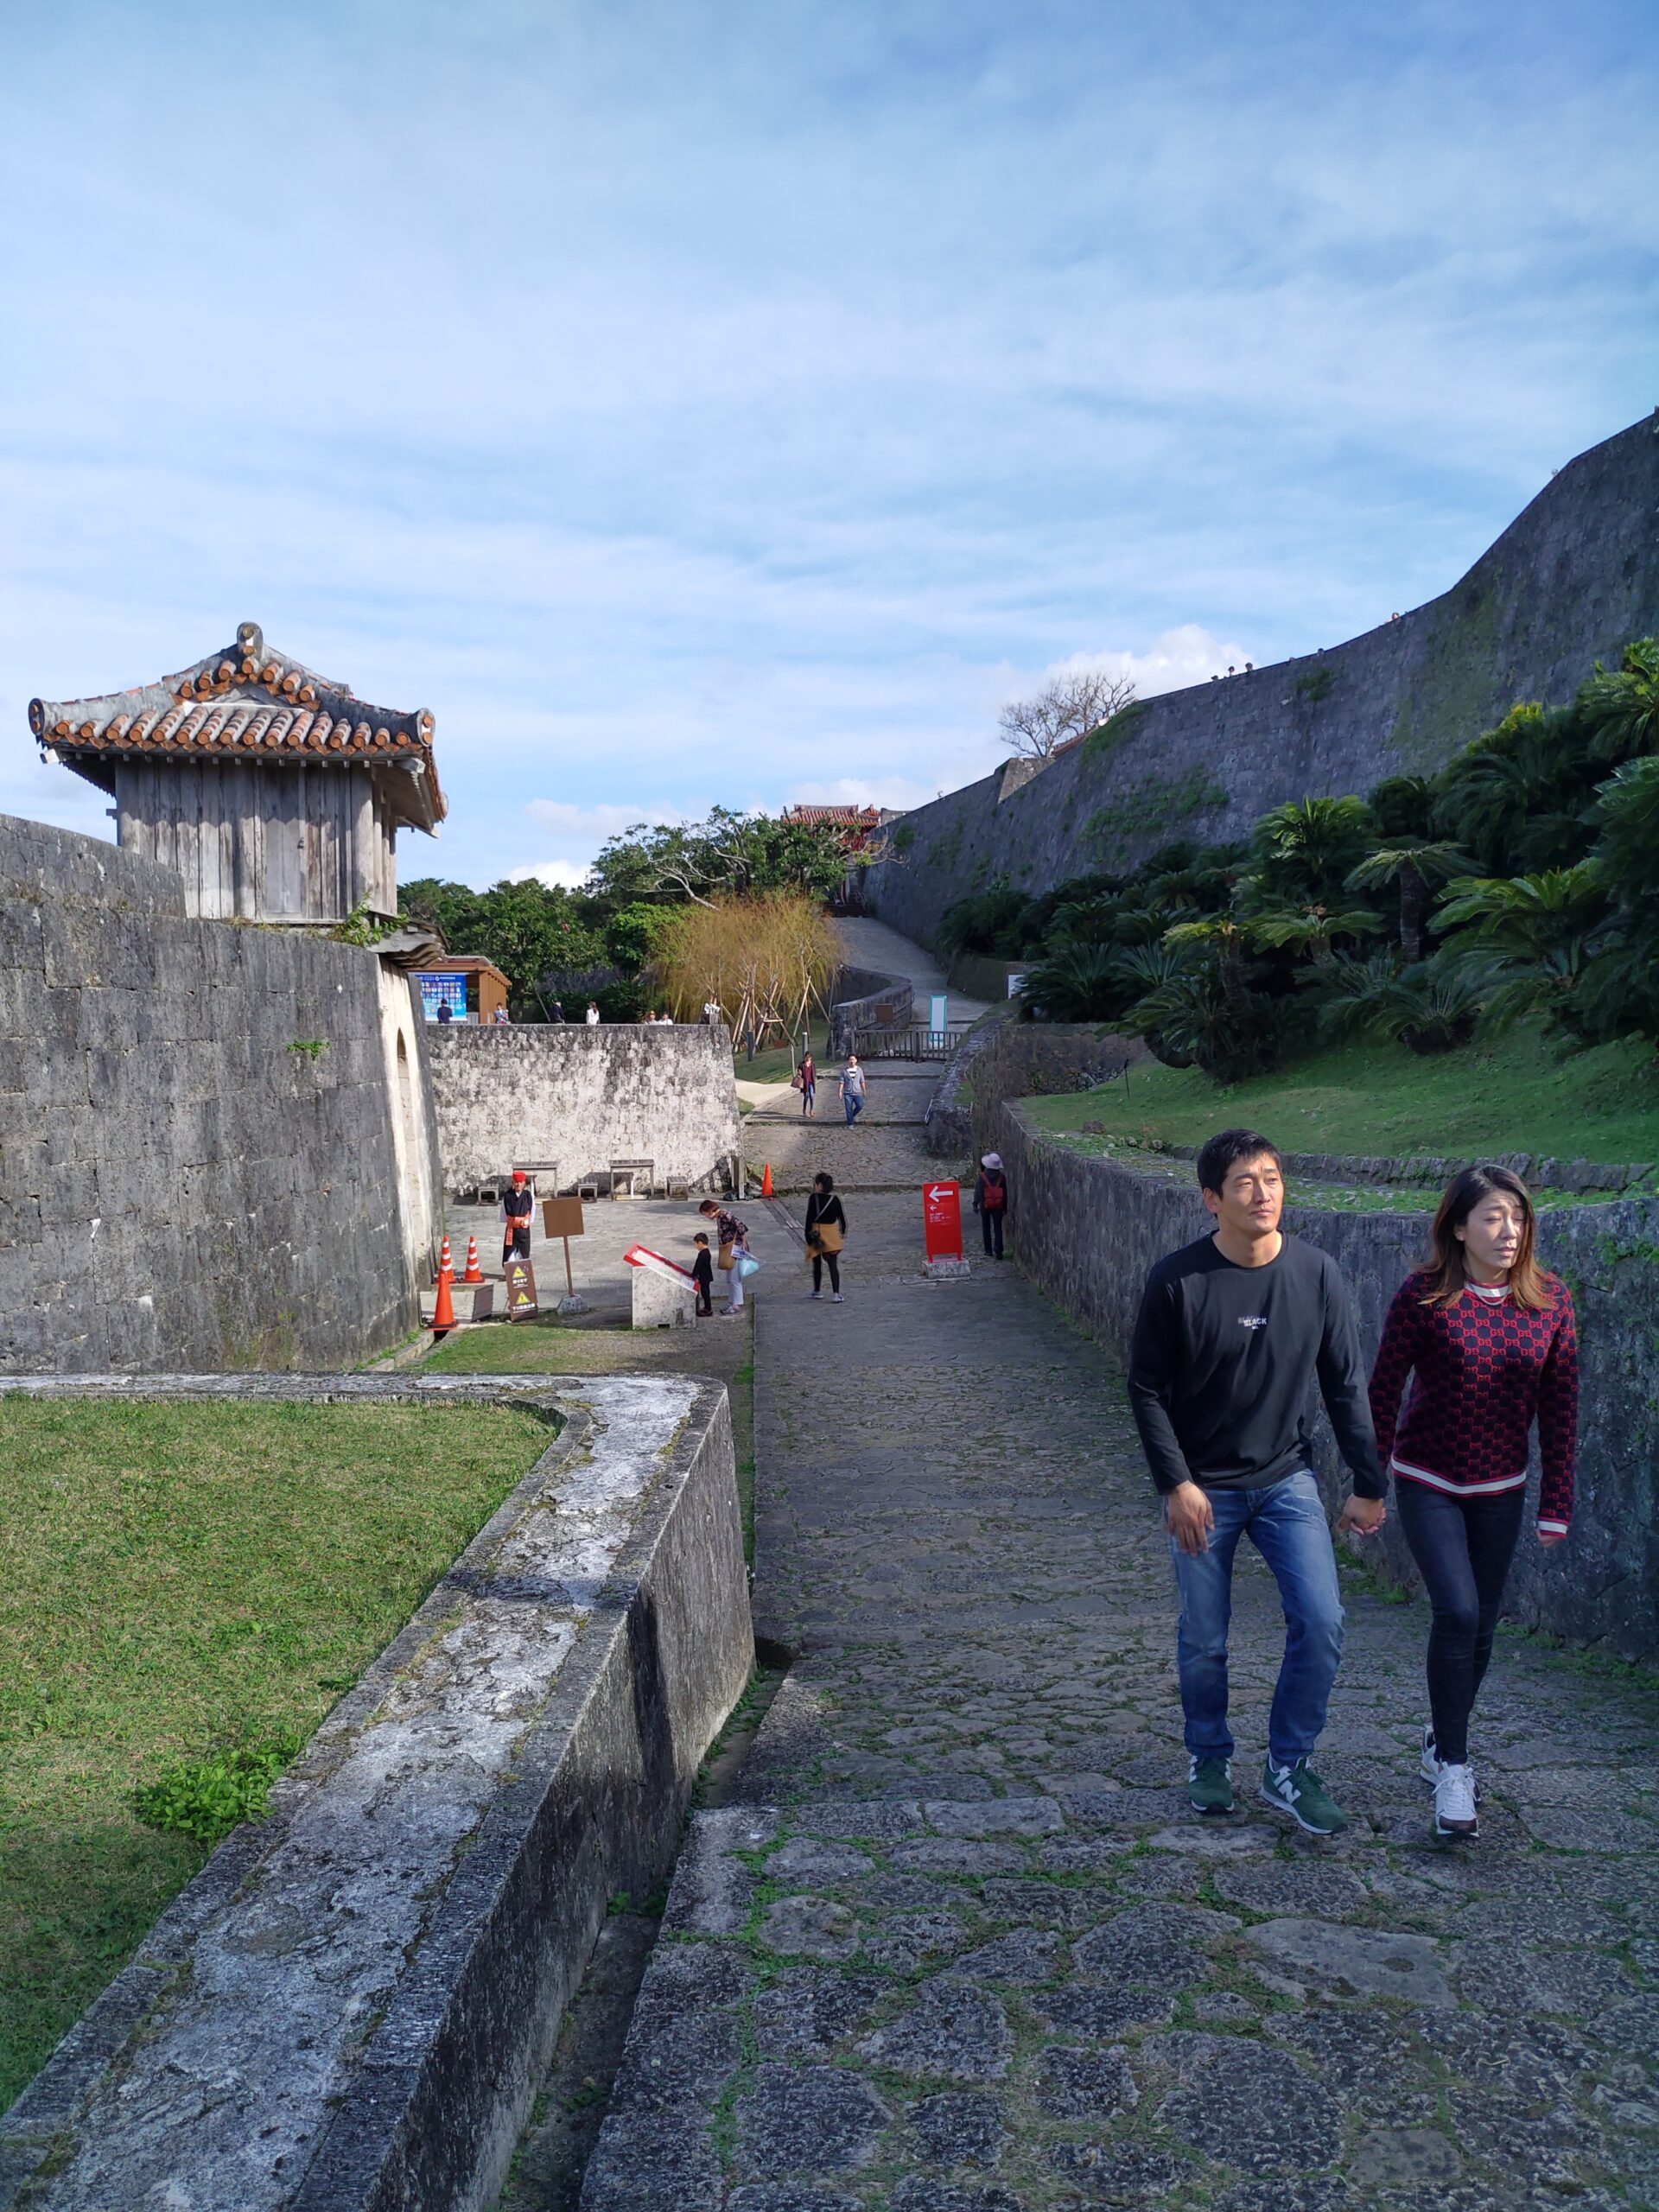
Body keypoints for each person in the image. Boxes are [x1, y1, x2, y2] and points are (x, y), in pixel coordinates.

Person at [1128, 1128, 1386, 1836]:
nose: (1262, 1193)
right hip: (1202, 1487)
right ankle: (1208, 1756)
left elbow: (1344, 1384)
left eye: (1271, 1178)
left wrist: (1369, 1482)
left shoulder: (1317, 1274)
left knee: (1322, 1619)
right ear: (1211, 1199)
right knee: (1205, 1636)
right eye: (1244, 1182)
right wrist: (1176, 1483)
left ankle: (1288, 1765)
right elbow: (1145, 1389)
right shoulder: (1178, 1281)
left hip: (1284, 1480)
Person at [1368, 1164, 1578, 1839]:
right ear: (1459, 1228)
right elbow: (1383, 1391)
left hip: (1500, 1490)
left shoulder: (1551, 1301)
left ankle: (1441, 1738)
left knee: (1482, 1625)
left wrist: (1556, 1501)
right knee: (1457, 1611)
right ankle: (1455, 1770)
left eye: (1518, 1217)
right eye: (1492, 1216)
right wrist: (1369, 1483)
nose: (1509, 1230)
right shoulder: (1424, 1296)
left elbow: (1561, 1409)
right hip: (1428, 1480)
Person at [699, 1198, 752, 1317]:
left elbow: (740, 1226)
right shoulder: (720, 1217)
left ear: (710, 1211)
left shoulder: (724, 1215)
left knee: (734, 1279)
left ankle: (735, 1305)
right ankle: (732, 1302)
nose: (706, 1216)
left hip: (736, 1249)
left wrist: (743, 1242)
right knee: (730, 1279)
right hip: (731, 1249)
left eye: (705, 1214)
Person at [804, 1172, 846, 1302]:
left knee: (817, 1264)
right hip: (831, 1234)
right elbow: (842, 1219)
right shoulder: (835, 1200)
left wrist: (808, 1237)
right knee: (833, 1264)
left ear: (819, 1185)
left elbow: (809, 1219)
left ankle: (817, 1290)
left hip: (817, 1233)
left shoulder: (813, 1198)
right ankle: (836, 1294)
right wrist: (842, 1232)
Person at [973, 1152, 1007, 1258]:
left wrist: (975, 1204)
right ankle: (998, 1249)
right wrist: (1005, 1207)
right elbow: (1005, 1194)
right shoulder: (1001, 1177)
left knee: (986, 1227)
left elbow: (978, 1192)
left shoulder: (982, 1177)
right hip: (998, 1205)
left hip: (985, 1205)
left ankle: (988, 1250)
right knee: (998, 1228)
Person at [502, 1169, 534, 1268]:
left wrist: (527, 1221)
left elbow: (532, 1211)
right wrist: (511, 1221)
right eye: (516, 1182)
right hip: (511, 1229)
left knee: (523, 1254)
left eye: (521, 1182)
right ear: (513, 1182)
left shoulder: (528, 1196)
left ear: (524, 1183)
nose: (518, 1185)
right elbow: (504, 1213)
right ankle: (509, 1272)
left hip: (523, 1229)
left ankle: (523, 1272)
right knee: (509, 1254)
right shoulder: (508, 1196)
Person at [690, 1231, 715, 1319]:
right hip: (707, 1276)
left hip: (704, 1277)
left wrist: (694, 1275)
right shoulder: (707, 1252)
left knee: (705, 1293)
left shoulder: (702, 1254)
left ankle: (708, 1309)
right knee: (706, 1292)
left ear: (700, 1243)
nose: (696, 1246)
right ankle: (707, 1307)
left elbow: (698, 1265)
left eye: (696, 1244)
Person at [838, 1052, 867, 1126]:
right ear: (848, 1061)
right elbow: (842, 1082)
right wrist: (840, 1091)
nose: (852, 1061)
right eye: (850, 1059)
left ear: (856, 1060)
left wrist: (864, 1090)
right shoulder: (844, 1071)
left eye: (853, 1059)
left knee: (860, 1105)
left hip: (857, 1092)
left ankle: (851, 1116)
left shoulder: (859, 1070)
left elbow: (862, 1081)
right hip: (848, 1093)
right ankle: (850, 1123)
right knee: (848, 1109)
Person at [798, 1049, 817, 1117]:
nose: (808, 1058)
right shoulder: (802, 1064)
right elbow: (799, 1070)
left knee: (811, 1096)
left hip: (811, 1083)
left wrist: (814, 1078)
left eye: (809, 1057)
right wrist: (799, 1074)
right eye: (806, 1057)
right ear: (805, 1057)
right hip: (805, 1083)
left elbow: (814, 1072)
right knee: (806, 1096)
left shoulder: (812, 1064)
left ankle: (811, 1110)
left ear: (811, 1057)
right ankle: (804, 1109)